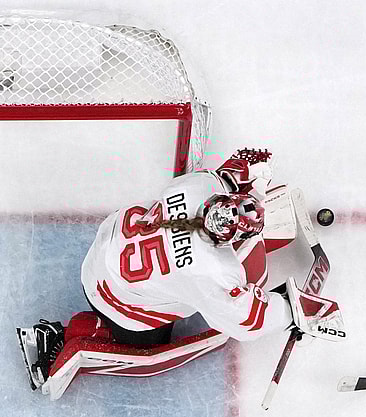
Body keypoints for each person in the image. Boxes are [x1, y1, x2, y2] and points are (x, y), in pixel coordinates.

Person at [16, 148, 345, 399]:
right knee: (152, 340)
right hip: (117, 305)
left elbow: (228, 174)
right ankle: (68, 336)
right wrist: (295, 312)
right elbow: (246, 322)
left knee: (186, 268)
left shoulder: (198, 186)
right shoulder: (210, 270)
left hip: (99, 259)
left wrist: (247, 172)